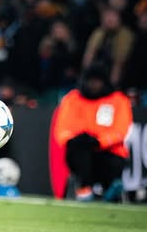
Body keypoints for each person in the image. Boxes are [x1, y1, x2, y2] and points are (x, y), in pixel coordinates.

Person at [52, 63, 133, 201]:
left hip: (109, 152)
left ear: (104, 82)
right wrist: (73, 139)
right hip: (80, 150)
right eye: (90, 81)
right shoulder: (72, 99)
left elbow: (121, 131)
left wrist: (99, 141)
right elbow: (61, 129)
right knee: (80, 150)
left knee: (107, 160)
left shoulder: (118, 100)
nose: (93, 85)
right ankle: (85, 190)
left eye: (97, 81)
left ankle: (109, 191)